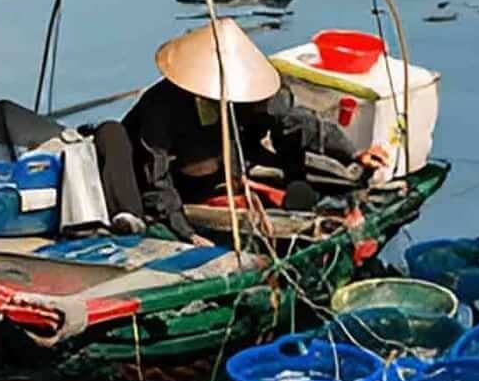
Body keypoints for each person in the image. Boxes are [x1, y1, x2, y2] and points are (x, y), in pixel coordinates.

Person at [91, 20, 380, 237]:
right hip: (170, 181)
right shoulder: (162, 106)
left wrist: (353, 154)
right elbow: (155, 176)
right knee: (111, 134)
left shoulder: (255, 93)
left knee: (315, 180)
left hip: (229, 167)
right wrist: (184, 232)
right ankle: (134, 223)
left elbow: (299, 123)